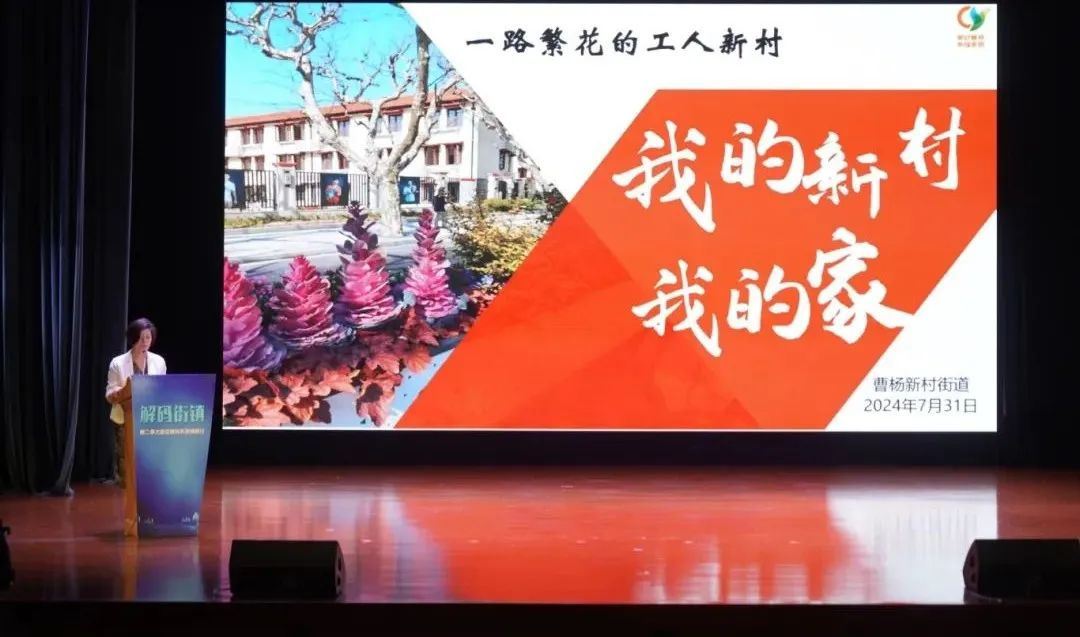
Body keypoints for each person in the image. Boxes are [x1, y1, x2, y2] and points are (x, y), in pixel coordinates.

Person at [105, 318, 167, 486]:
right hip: (126, 419)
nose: (144, 342)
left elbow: (162, 389)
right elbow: (109, 393)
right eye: (140, 338)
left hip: (150, 420)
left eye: (148, 337)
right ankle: (127, 492)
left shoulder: (159, 361)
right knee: (126, 464)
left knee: (150, 465)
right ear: (132, 338)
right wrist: (121, 392)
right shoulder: (118, 363)